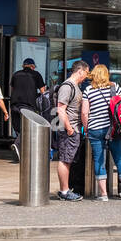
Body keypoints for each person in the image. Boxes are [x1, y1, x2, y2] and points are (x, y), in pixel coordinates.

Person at [79, 64, 121, 201]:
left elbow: (84, 113)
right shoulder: (115, 87)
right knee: (120, 158)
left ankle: (103, 195)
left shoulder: (88, 90)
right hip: (114, 129)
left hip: (95, 129)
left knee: (99, 160)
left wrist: (86, 128)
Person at [54, 60, 89, 201]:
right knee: (65, 160)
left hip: (73, 129)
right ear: (80, 71)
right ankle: (64, 191)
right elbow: (60, 110)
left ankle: (66, 189)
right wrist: (69, 129)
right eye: (86, 73)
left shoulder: (75, 86)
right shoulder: (67, 87)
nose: (86, 76)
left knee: (68, 160)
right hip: (69, 130)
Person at [8, 57, 46, 162]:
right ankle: (17, 144)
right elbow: (43, 91)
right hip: (28, 106)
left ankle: (20, 149)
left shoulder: (15, 74)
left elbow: (13, 89)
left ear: (23, 66)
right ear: (32, 67)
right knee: (27, 129)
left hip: (14, 105)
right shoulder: (36, 74)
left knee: (19, 129)